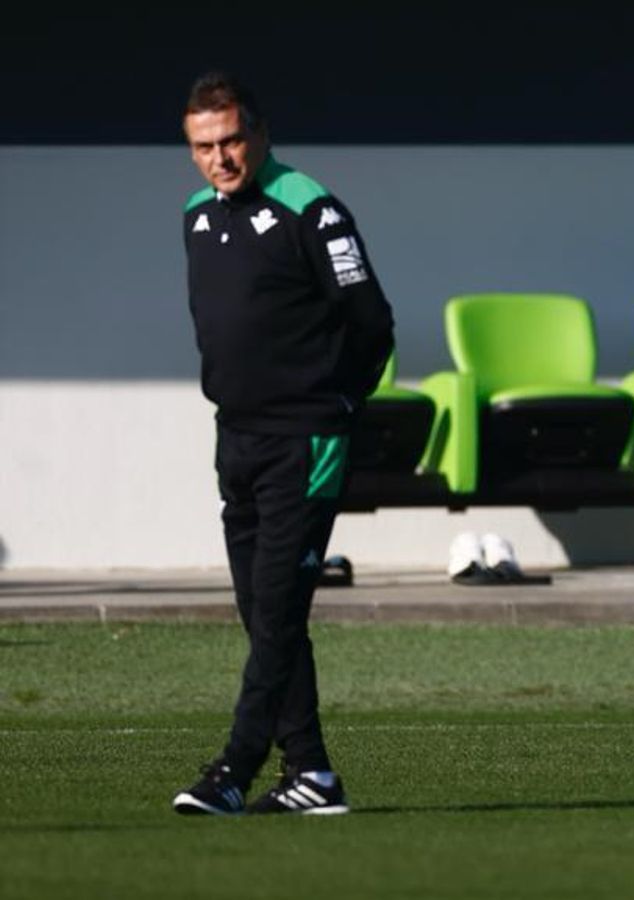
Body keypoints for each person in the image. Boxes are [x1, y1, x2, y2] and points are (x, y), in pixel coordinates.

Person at [172, 73, 394, 814]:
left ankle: (234, 768)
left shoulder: (312, 209)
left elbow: (372, 323)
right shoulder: (197, 216)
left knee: (276, 608)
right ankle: (312, 774)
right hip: (235, 440)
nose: (220, 159)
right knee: (264, 613)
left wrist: (336, 403)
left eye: (231, 140)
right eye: (204, 146)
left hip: (306, 441)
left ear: (259, 135)